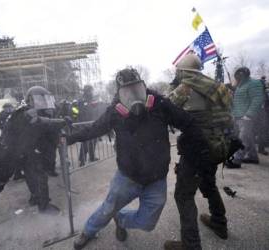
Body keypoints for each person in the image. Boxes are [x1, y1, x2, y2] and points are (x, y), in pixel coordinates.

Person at [68, 68, 210, 250]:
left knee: (147, 223)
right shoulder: (115, 112)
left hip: (156, 180)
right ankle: (87, 232)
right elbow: (93, 130)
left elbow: (187, 122)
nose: (133, 96)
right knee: (107, 209)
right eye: (127, 92)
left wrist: (202, 149)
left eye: (137, 89)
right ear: (119, 93)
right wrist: (69, 138)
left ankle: (121, 219)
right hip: (127, 177)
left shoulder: (159, 104)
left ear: (143, 86)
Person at [164, 54, 233, 250]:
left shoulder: (186, 87)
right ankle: (219, 223)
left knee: (183, 195)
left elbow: (167, 108)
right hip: (219, 146)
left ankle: (191, 245)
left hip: (197, 149)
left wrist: (172, 85)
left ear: (184, 72)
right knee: (208, 183)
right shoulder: (217, 86)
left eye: (179, 72)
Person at [0, 86, 67, 220]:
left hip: (26, 151)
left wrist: (60, 130)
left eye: (46, 100)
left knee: (39, 175)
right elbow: (38, 122)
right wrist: (60, 122)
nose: (44, 104)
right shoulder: (24, 112)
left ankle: (42, 204)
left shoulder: (38, 113)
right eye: (40, 100)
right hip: (9, 153)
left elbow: (45, 131)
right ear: (31, 100)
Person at [225, 67, 264, 168]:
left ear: (242, 74)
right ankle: (252, 156)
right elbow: (239, 101)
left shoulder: (254, 83)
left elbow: (257, 99)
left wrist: (249, 114)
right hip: (239, 116)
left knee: (242, 139)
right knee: (248, 137)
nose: (236, 77)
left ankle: (236, 160)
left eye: (238, 75)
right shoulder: (240, 86)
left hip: (247, 117)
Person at [77, 85, 99, 166]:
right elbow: (79, 113)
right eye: (90, 90)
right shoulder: (81, 101)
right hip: (84, 124)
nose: (91, 92)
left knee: (93, 141)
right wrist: (81, 124)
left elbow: (95, 111)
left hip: (93, 123)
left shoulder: (92, 100)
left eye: (91, 90)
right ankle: (82, 160)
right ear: (86, 91)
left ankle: (92, 157)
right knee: (85, 143)